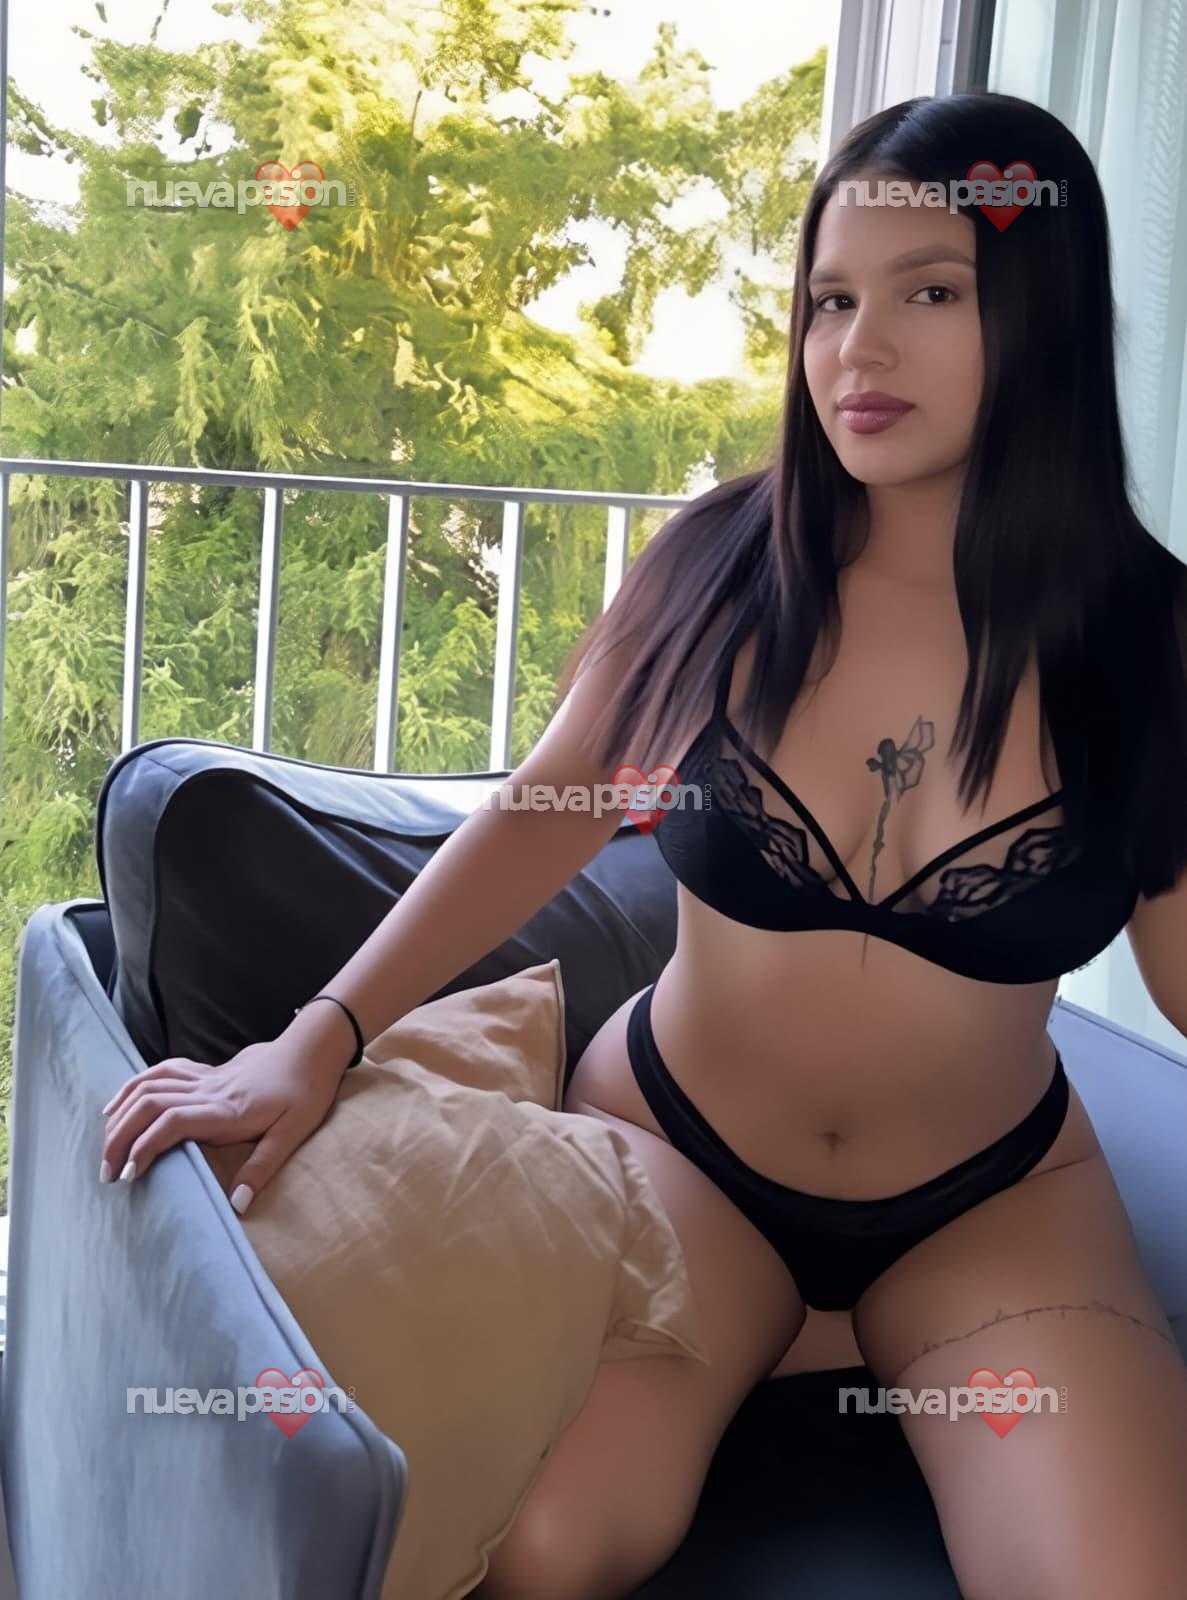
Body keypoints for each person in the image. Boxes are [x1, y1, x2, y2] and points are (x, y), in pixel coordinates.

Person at [100, 90, 1187, 1597]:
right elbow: (539, 815)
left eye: (930, 294)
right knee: (546, 1548)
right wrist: (318, 1039)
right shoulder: (722, 567)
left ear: (1044, 310)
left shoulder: (1153, 642)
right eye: (829, 302)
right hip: (685, 1165)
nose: (857, 352)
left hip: (989, 1211)